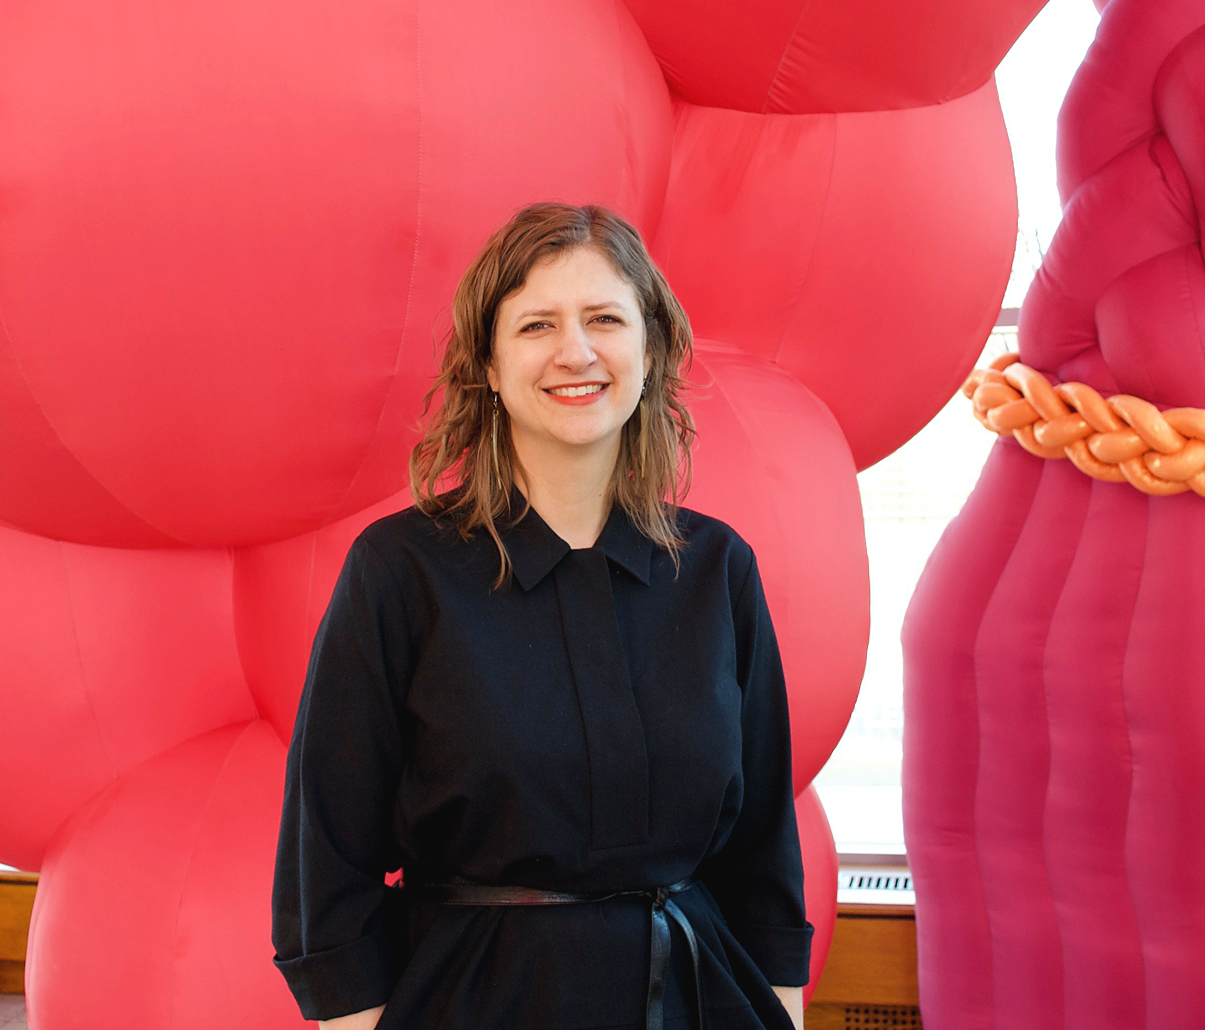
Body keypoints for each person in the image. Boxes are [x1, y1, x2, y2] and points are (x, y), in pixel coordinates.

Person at [272, 202, 811, 1030]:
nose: (576, 350)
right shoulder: (399, 570)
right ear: (489, 364)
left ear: (650, 348)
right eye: (536, 324)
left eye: (604, 318)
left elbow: (764, 844)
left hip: (700, 1002)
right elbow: (327, 853)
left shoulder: (718, 568)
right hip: (473, 1001)